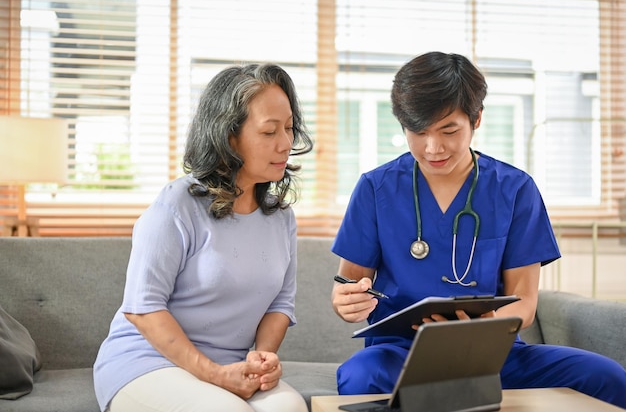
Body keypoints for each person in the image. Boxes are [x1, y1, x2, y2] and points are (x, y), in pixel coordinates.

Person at [330, 51, 626, 408]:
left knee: (605, 377)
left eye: (449, 130)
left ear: (477, 119)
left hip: (490, 353)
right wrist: (347, 302)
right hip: (401, 353)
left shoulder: (515, 190)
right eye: (418, 132)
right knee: (361, 376)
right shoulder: (375, 188)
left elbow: (525, 303)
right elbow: (348, 285)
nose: (432, 148)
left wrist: (471, 333)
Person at [93, 63, 313, 412]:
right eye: (270, 132)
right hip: (148, 362)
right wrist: (213, 374)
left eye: (288, 129)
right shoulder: (177, 204)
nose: (286, 144)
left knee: (291, 408)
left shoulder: (280, 217)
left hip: (232, 363)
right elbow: (143, 307)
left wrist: (263, 358)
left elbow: (279, 305)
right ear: (228, 136)